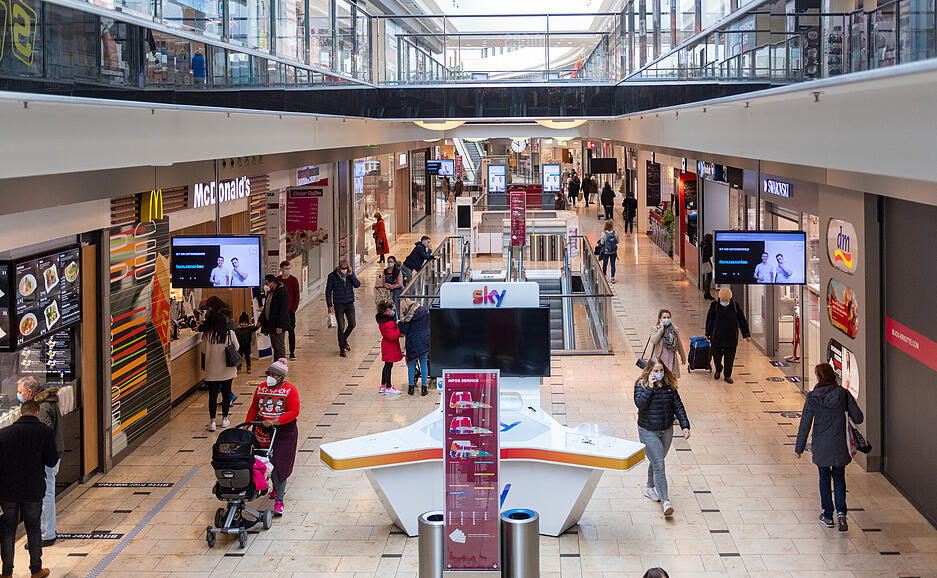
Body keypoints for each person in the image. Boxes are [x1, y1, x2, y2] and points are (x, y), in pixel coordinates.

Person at [795, 363, 864, 531]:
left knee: (824, 478)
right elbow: (859, 418)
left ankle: (828, 515)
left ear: (819, 378)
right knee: (839, 477)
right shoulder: (843, 393)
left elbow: (805, 423)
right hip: (840, 443)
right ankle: (841, 513)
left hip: (821, 444)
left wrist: (799, 447)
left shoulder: (813, 397)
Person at [0, 400, 57, 578]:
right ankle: (36, 570)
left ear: (20, 413)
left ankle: (6, 573)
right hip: (33, 490)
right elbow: (51, 460)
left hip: (8, 491)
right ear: (37, 412)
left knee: (8, 531)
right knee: (33, 529)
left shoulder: (3, 434)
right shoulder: (44, 432)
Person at [634, 359, 690, 518]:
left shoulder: (669, 386)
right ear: (649, 372)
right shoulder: (641, 384)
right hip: (648, 431)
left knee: (657, 460)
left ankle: (649, 487)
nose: (659, 373)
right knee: (659, 464)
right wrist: (650, 388)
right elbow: (640, 404)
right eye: (656, 371)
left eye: (661, 370)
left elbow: (678, 406)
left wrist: (685, 426)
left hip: (666, 430)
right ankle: (666, 501)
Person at [244, 358, 299, 517]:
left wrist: (275, 420)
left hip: (283, 433)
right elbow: (254, 407)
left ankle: (279, 501)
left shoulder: (290, 390)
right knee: (264, 460)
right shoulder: (261, 388)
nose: (270, 377)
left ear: (281, 377)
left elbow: (294, 411)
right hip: (262, 431)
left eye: (274, 375)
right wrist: (248, 424)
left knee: (280, 463)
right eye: (269, 373)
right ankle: (273, 487)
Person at [17, 378, 63, 547]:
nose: (19, 395)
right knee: (46, 495)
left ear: (30, 392)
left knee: (44, 497)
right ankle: (48, 531)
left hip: (45, 460)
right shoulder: (47, 403)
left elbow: (43, 436)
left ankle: (46, 535)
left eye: (20, 392)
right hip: (50, 457)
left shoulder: (41, 408)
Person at [203, 303, 239, 431]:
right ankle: (224, 419)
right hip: (227, 370)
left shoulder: (207, 335)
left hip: (212, 371)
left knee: (212, 396)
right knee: (226, 394)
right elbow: (237, 347)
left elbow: (203, 350)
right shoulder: (229, 334)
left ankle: (212, 421)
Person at [705, 287, 752, 384]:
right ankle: (718, 369)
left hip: (731, 337)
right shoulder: (714, 306)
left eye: (726, 300)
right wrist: (707, 333)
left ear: (730, 299)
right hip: (717, 337)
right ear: (719, 298)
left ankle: (727, 375)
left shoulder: (735, 306)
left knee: (729, 358)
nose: (724, 301)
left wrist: (746, 334)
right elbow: (709, 320)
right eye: (723, 299)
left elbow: (742, 320)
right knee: (716, 356)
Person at [325, 258, 360, 357]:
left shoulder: (350, 275)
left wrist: (351, 274)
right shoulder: (332, 276)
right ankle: (341, 348)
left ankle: (343, 340)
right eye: (342, 268)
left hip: (349, 303)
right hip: (339, 304)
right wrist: (330, 305)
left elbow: (357, 284)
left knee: (352, 324)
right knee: (341, 326)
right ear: (339, 267)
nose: (344, 270)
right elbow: (328, 292)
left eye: (346, 268)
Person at [398, 299, 430, 396]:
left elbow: (404, 329)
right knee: (423, 363)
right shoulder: (424, 310)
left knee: (411, 364)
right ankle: (424, 388)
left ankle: (411, 388)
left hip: (412, 342)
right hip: (425, 341)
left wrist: (399, 323)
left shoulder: (408, 316)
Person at [258, 274, 291, 361]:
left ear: (272, 282)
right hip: (271, 324)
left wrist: (280, 326)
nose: (266, 285)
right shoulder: (270, 292)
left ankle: (281, 367)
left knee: (279, 347)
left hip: (278, 325)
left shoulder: (282, 292)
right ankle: (276, 366)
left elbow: (283, 311)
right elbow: (266, 308)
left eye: (267, 283)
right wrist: (260, 320)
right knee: (275, 346)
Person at [648, 309, 687, 377]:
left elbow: (679, 344)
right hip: (659, 358)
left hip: (671, 358)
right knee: (659, 375)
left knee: (670, 376)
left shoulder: (675, 329)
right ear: (660, 319)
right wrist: (661, 330)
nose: (666, 319)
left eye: (668, 317)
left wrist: (683, 357)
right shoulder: (655, 329)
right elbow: (654, 341)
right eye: (664, 317)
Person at [376, 301, 403, 395]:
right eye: (392, 309)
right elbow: (392, 336)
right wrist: (399, 328)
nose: (393, 311)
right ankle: (388, 387)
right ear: (387, 310)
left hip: (386, 345)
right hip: (389, 346)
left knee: (386, 365)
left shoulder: (383, 321)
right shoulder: (388, 323)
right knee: (389, 366)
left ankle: (383, 385)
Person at [279, 261, 300, 359]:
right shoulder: (277, 280)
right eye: (286, 269)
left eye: (289, 269)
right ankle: (280, 352)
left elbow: (297, 296)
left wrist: (293, 309)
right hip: (280, 312)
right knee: (280, 332)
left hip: (290, 311)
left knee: (291, 332)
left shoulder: (293, 280)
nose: (288, 271)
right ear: (281, 269)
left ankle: (292, 351)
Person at [699, 233, 714, 299]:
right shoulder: (708, 245)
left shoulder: (703, 244)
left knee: (707, 278)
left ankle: (706, 293)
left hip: (704, 262)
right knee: (709, 278)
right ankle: (707, 294)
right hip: (707, 262)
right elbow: (709, 254)